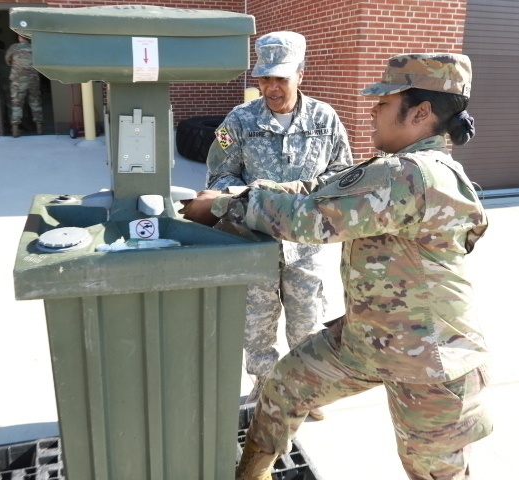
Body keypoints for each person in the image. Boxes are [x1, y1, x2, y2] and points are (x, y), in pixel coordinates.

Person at [180, 52, 492, 480]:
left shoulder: (413, 175)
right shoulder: (388, 169)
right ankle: (251, 474)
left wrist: (228, 207)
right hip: (368, 341)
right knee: (282, 388)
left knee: (435, 474)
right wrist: (235, 194)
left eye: (383, 102)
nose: (372, 109)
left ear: (420, 112)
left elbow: (313, 218)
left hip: (430, 362)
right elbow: (320, 189)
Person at [205, 31, 353, 420]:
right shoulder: (238, 121)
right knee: (256, 329)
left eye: (280, 78)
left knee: (307, 326)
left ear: (301, 74)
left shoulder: (325, 119)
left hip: (307, 246)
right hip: (255, 245)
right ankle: (264, 386)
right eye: (264, 78)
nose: (271, 87)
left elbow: (342, 175)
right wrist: (245, 196)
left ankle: (306, 392)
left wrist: (301, 193)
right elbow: (217, 177)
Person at [5, 35, 43, 138]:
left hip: (18, 80)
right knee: (35, 102)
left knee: (17, 103)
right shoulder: (34, 47)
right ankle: (39, 128)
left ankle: (15, 130)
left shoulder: (14, 47)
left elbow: (7, 60)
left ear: (19, 38)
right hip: (33, 79)